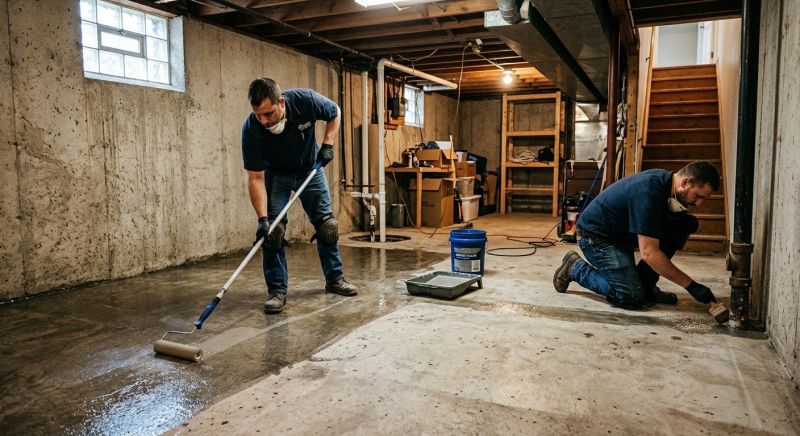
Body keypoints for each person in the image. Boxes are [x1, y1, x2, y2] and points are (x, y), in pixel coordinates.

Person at [241, 78, 357, 314]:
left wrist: (328, 143)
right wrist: (262, 219)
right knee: (272, 233)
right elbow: (255, 178)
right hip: (277, 175)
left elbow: (335, 111)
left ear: (281, 102)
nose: (263, 121)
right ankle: (277, 291)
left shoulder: (306, 101)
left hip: (309, 170)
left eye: (268, 113)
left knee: (327, 226)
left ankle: (335, 279)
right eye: (258, 115)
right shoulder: (252, 129)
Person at [553, 161, 720, 309]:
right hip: (596, 237)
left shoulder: (666, 185)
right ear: (685, 182)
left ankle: (646, 286)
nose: (699, 203)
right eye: (698, 196)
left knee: (685, 224)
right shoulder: (648, 191)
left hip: (621, 234)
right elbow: (649, 253)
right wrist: (691, 286)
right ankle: (575, 267)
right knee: (631, 296)